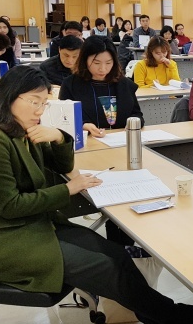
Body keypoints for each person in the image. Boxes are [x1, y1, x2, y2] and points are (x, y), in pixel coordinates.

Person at [0, 66, 193, 324]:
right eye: (33, 101)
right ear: (9, 97)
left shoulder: (23, 133)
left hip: (31, 228)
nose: (39, 110)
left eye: (44, 103)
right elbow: (10, 207)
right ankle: (174, 319)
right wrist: (69, 189)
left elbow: (61, 165)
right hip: (2, 243)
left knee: (117, 255)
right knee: (104, 267)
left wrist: (58, 137)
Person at [59, 36, 144, 246]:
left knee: (127, 196)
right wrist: (83, 126)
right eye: (96, 63)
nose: (103, 69)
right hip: (88, 155)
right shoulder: (71, 85)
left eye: (108, 63)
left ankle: (124, 246)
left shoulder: (123, 85)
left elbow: (138, 116)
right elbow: (63, 121)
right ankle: (116, 247)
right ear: (85, 60)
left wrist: (131, 125)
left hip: (121, 151)